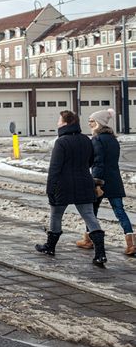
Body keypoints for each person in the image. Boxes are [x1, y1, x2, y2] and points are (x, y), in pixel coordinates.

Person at [36, 110, 107, 266]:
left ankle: (50, 247)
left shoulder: (61, 142)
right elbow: (90, 161)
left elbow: (54, 168)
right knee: (89, 215)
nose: (57, 123)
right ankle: (100, 254)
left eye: (59, 120)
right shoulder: (86, 140)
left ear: (66, 123)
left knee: (56, 215)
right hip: (84, 182)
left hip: (63, 185)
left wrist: (50, 189)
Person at [76, 109, 134, 255]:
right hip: (115, 180)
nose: (89, 124)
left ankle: (88, 239)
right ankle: (131, 243)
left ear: (99, 123)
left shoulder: (96, 139)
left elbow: (98, 163)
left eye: (92, 121)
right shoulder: (113, 139)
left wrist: (96, 182)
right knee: (120, 211)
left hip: (100, 180)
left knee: (91, 211)